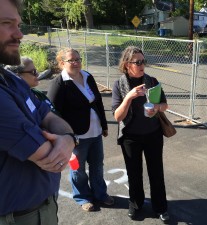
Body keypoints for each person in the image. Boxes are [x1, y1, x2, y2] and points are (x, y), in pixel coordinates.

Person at [0, 0, 77, 224]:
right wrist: (65, 141)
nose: (19, 34)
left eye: (18, 24)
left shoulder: (11, 79)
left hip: (43, 207)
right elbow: (47, 156)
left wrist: (68, 138)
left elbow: (49, 116)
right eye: (7, 23)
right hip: (18, 218)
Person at [47, 48, 114, 212]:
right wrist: (64, 137)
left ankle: (100, 194)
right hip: (75, 136)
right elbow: (52, 114)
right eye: (72, 60)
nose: (76, 63)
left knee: (97, 166)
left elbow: (97, 102)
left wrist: (104, 125)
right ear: (62, 63)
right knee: (78, 169)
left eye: (78, 59)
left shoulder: (87, 76)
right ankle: (82, 197)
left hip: (95, 131)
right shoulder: (59, 84)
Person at [112, 46, 170, 223]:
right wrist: (129, 97)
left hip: (153, 134)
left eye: (143, 61)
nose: (142, 64)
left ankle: (160, 207)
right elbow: (117, 116)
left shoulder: (151, 81)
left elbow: (164, 105)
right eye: (138, 62)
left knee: (156, 172)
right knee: (134, 173)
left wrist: (157, 108)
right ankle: (135, 205)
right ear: (127, 64)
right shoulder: (119, 85)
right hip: (130, 137)